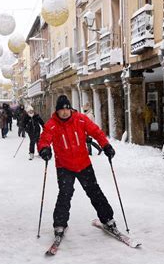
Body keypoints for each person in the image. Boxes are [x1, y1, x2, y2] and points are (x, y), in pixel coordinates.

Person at [38, 95, 117, 238]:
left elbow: (96, 131)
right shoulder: (52, 124)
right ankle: (60, 224)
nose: (64, 112)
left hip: (83, 164)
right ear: (57, 111)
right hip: (64, 166)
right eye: (61, 109)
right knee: (65, 194)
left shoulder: (80, 119)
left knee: (94, 191)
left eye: (66, 109)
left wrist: (106, 145)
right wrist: (44, 149)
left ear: (70, 109)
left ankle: (108, 219)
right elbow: (44, 139)